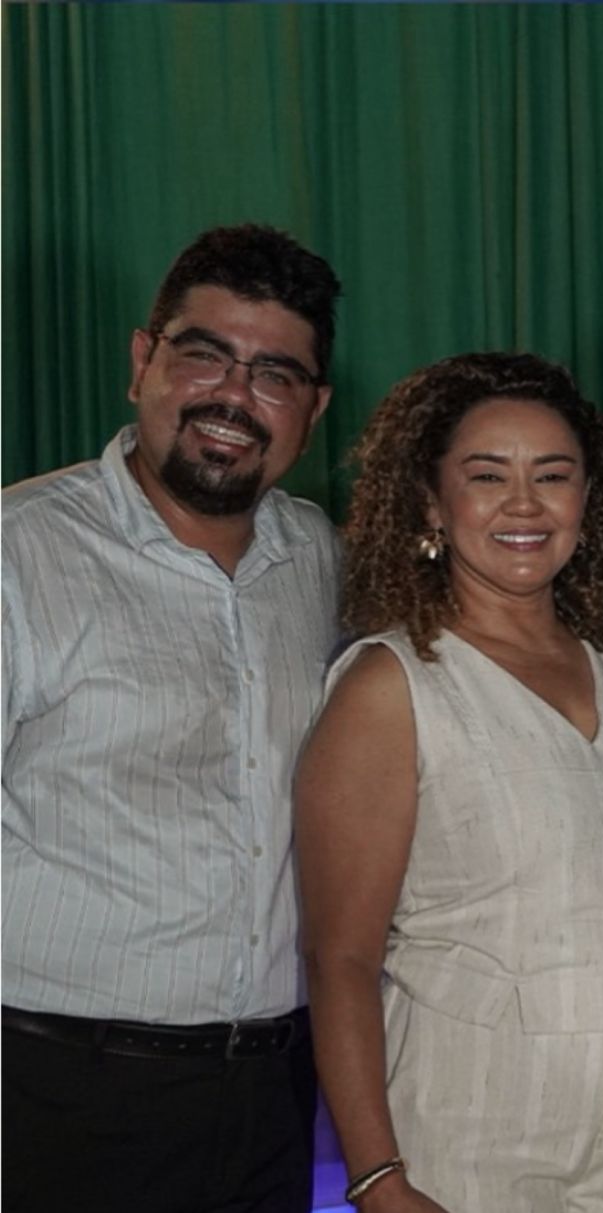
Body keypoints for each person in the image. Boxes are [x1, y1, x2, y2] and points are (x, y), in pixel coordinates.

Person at [2, 224, 342, 1212]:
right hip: (54, 1093)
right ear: (142, 360)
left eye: (276, 372)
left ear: (313, 409)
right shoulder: (20, 554)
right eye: (205, 353)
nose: (235, 396)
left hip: (273, 1097)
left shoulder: (320, 559)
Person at [295, 352, 603, 1213]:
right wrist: (378, 1178)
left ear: (588, 499)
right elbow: (339, 958)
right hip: (459, 1134)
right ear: (432, 502)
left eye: (553, 474)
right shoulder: (390, 684)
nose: (525, 504)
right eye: (487, 475)